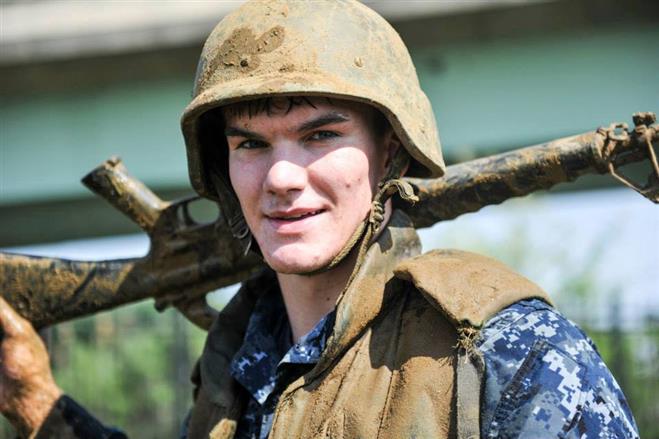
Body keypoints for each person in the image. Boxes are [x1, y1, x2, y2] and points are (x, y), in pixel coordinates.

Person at [0, 1, 640, 438]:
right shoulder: (238, 367)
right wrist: (34, 397)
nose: (280, 178)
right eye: (251, 144)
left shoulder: (504, 352)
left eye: (319, 136)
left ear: (388, 150)